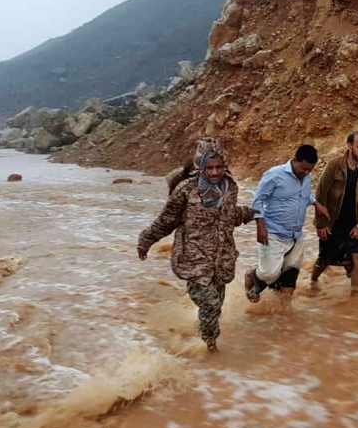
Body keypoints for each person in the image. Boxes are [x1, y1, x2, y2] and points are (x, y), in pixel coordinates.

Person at [137, 138, 256, 352]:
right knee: (210, 303)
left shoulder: (230, 187)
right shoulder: (186, 189)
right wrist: (145, 241)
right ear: (200, 165)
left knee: (216, 305)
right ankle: (210, 348)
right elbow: (167, 220)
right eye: (209, 167)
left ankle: (202, 331)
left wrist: (251, 213)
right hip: (194, 259)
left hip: (221, 258)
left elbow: (229, 216)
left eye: (219, 166)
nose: (214, 172)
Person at [244, 145, 329, 302]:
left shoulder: (307, 177)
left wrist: (315, 203)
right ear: (294, 160)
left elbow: (302, 195)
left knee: (290, 276)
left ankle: (283, 318)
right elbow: (257, 202)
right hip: (273, 233)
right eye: (303, 168)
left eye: (309, 170)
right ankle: (252, 276)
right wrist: (260, 226)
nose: (306, 173)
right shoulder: (274, 175)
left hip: (296, 236)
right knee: (270, 274)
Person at [310, 132, 358, 296]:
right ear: (350, 146)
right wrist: (321, 223)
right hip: (333, 222)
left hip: (354, 223)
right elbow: (320, 194)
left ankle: (355, 299)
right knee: (324, 260)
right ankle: (313, 281)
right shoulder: (334, 165)